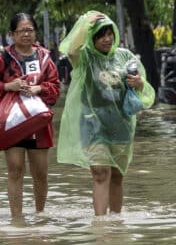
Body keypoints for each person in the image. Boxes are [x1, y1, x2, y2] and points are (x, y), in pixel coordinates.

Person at [56, 11, 155, 216]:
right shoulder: (85, 59)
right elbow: (71, 50)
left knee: (117, 175)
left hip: (121, 126)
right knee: (101, 173)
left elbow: (144, 89)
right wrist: (85, 23)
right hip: (92, 126)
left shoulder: (125, 56)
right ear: (92, 38)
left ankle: (116, 222)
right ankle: (100, 224)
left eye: (110, 33)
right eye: (101, 35)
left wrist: (140, 83)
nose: (107, 38)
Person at [0, 13, 61, 221]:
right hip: (12, 122)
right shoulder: (2, 58)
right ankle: (17, 219)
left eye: (30, 30)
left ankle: (40, 215)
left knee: (41, 173)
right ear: (12, 34)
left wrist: (39, 88)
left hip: (39, 122)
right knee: (15, 169)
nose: (26, 34)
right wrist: (9, 86)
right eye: (21, 31)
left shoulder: (45, 57)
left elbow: (55, 88)